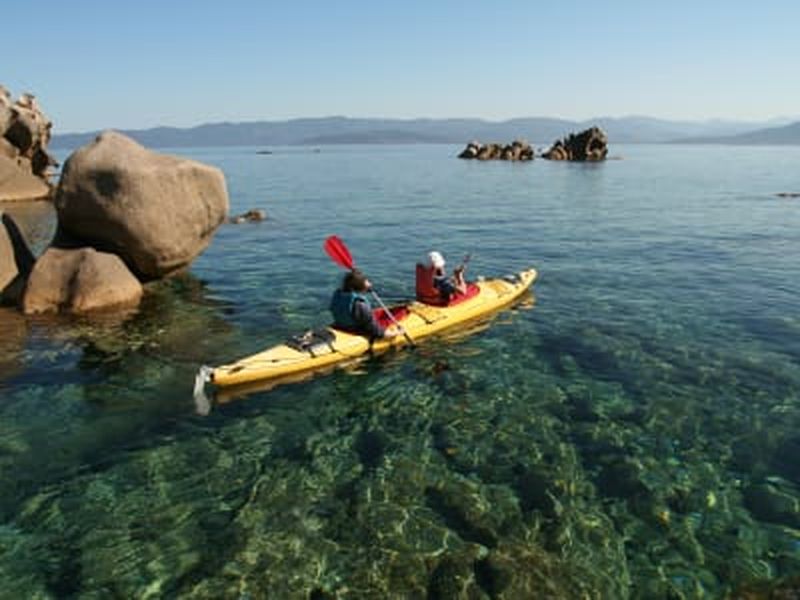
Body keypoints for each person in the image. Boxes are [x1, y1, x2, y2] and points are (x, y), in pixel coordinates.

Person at [330, 269, 399, 340]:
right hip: (355, 330)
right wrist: (394, 333)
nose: (370, 283)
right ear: (360, 286)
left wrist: (364, 286)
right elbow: (375, 331)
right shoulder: (359, 304)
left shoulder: (338, 295)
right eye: (366, 281)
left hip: (340, 325)